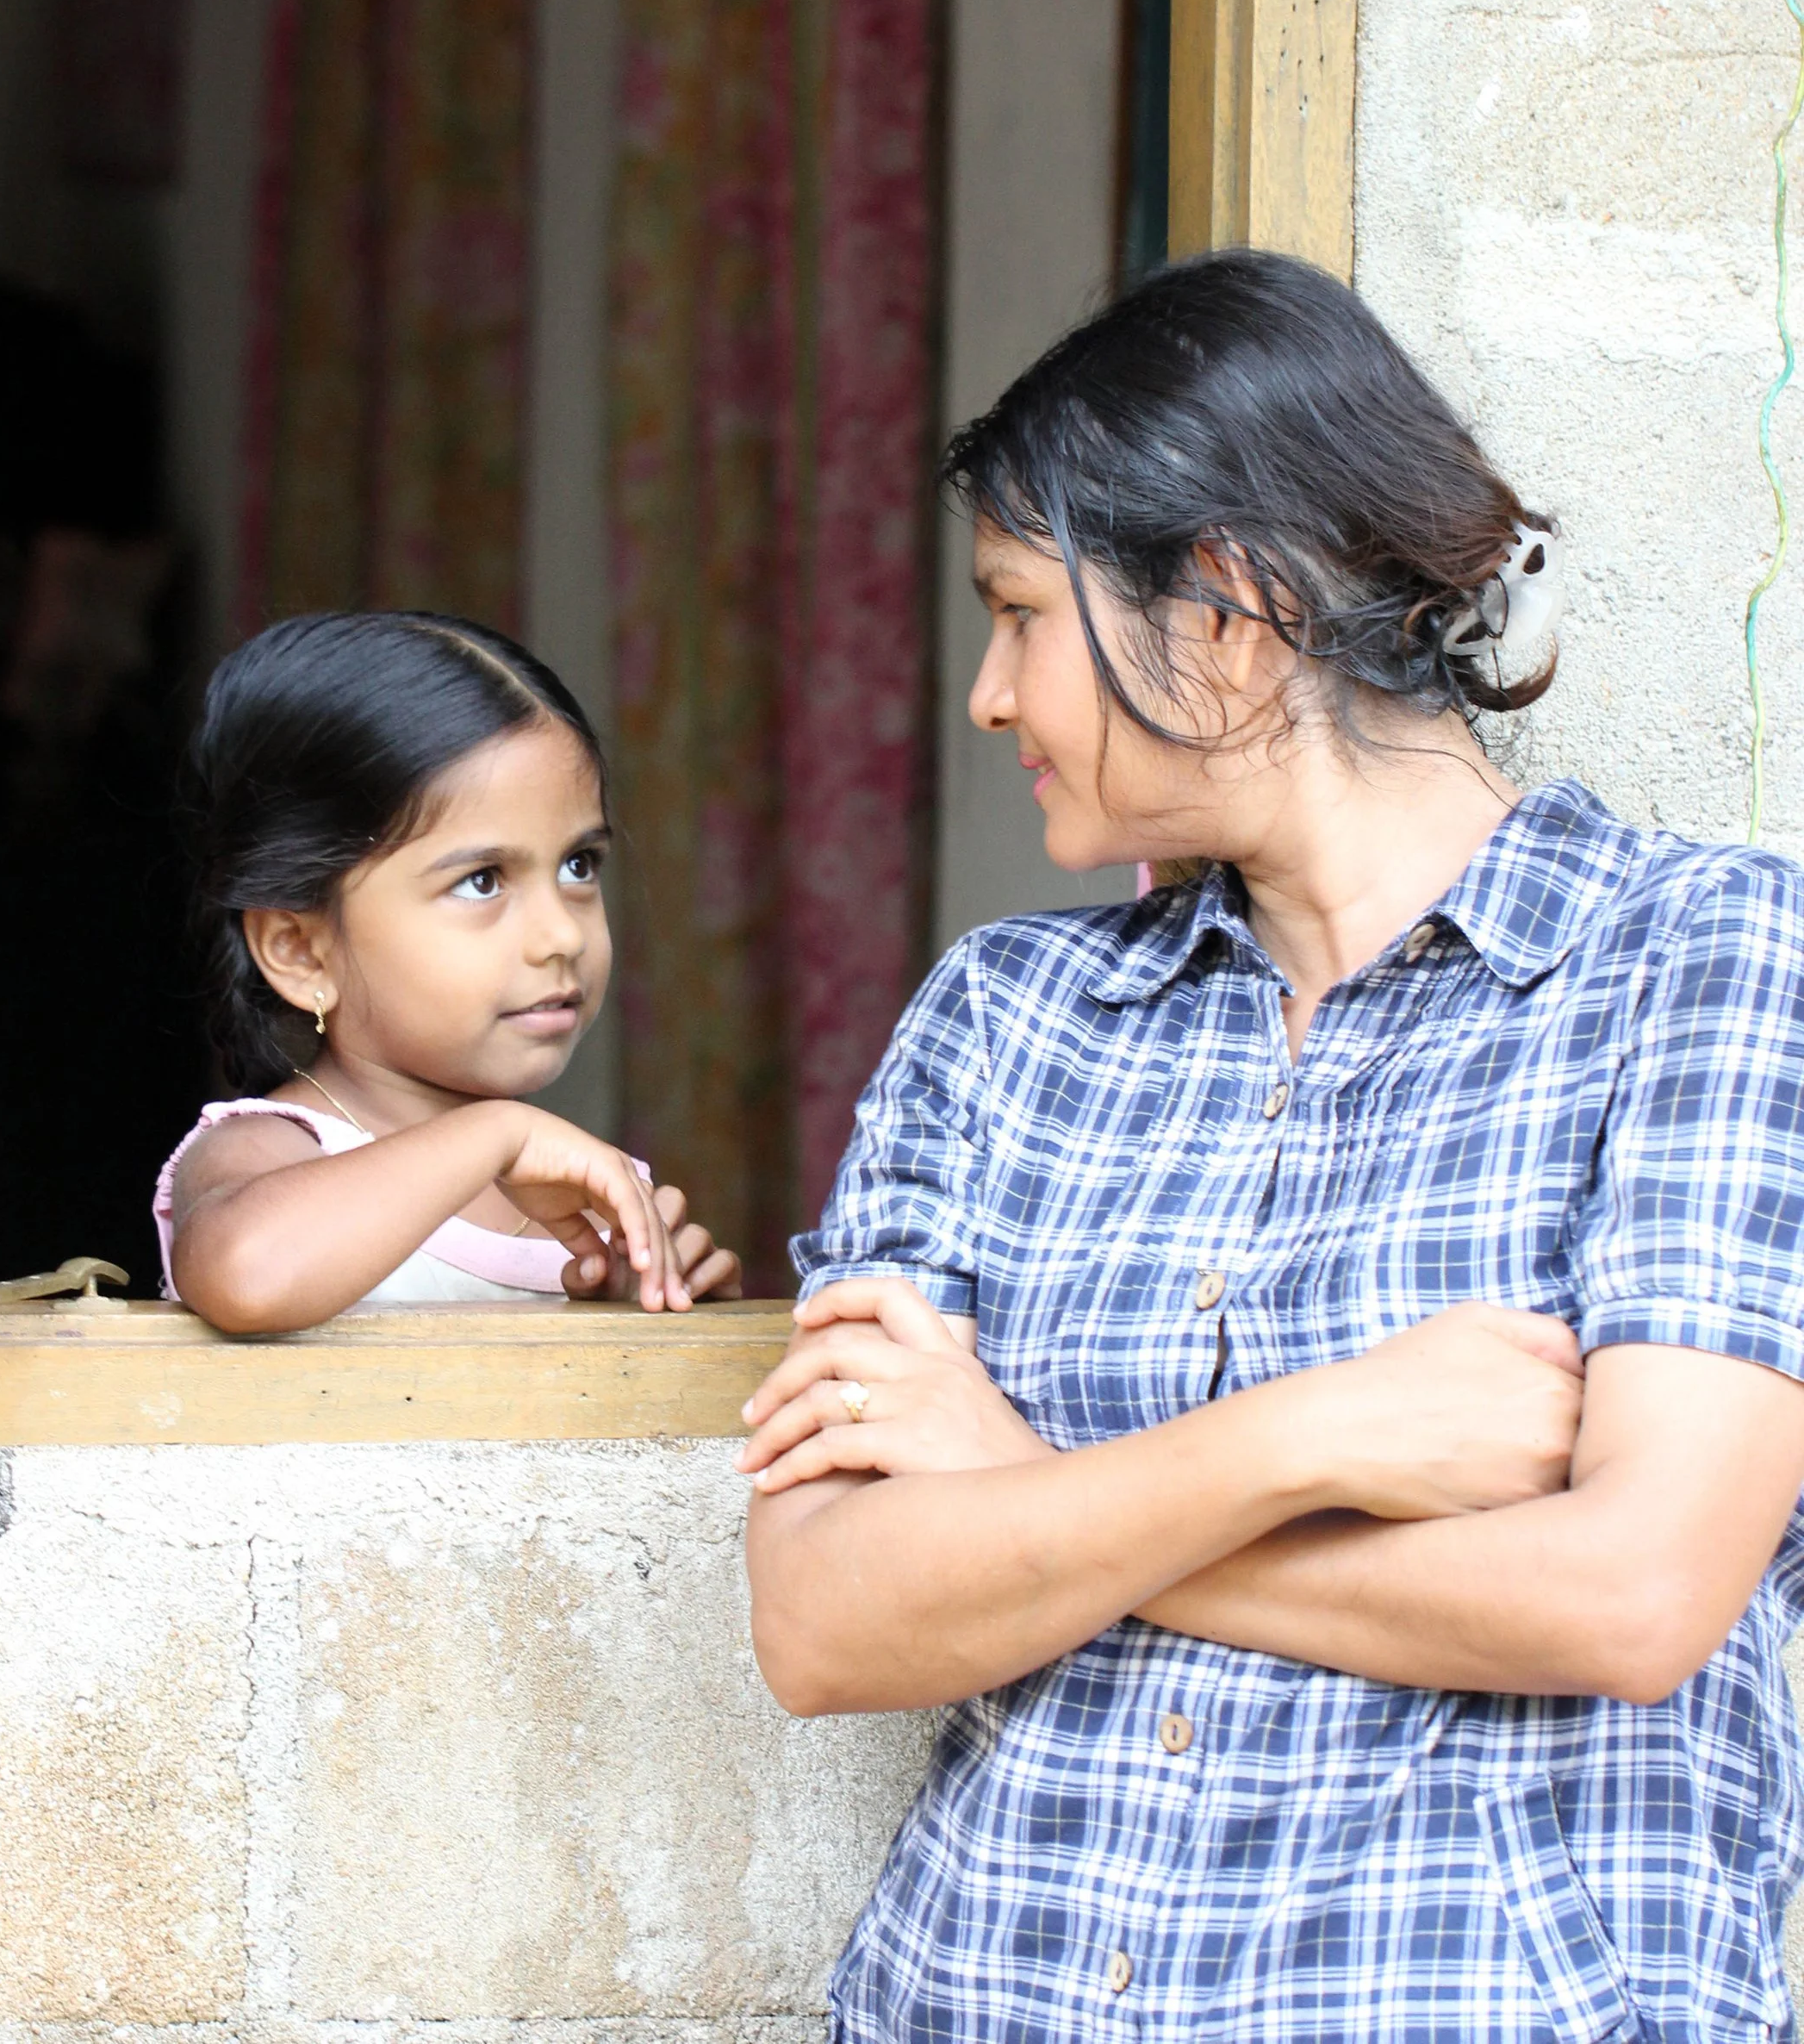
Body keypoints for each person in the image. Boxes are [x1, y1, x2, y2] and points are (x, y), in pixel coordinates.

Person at [739, 249, 1804, 2042]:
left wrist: (1022, 1496)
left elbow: (1630, 1596)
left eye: (1016, 614)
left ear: (1225, 616)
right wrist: (1309, 1436)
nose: (988, 696)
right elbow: (825, 1621)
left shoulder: (1701, 964)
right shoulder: (998, 1026)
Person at [158, 611, 743, 1327]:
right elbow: (245, 1275)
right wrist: (498, 1134)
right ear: (299, 949)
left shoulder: (590, 1199)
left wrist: (649, 1307)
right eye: (483, 881)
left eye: (578, 866)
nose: (561, 933)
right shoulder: (269, 1148)